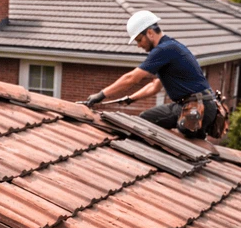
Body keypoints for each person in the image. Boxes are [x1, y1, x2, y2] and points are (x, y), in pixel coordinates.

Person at [84, 10, 217, 138]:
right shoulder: (170, 47)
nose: (139, 45)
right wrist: (131, 99)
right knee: (146, 119)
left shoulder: (164, 49)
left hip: (198, 107)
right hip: (192, 104)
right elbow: (155, 87)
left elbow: (131, 78)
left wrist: (101, 95)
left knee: (182, 140)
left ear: (150, 33)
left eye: (139, 40)